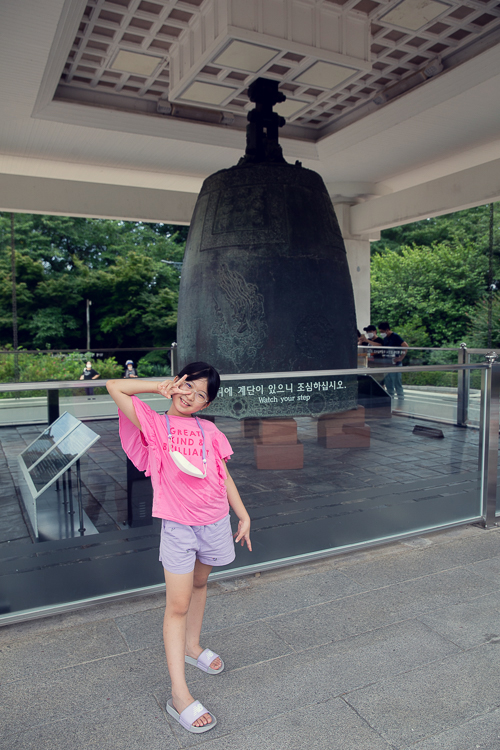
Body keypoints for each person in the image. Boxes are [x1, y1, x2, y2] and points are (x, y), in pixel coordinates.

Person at [106, 362, 251, 735]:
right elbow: (114, 386)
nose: (190, 397)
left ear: (206, 405)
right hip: (178, 526)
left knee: (201, 584)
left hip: (215, 521)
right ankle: (180, 695)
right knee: (177, 605)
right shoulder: (154, 424)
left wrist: (243, 514)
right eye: (188, 386)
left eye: (200, 395)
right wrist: (159, 387)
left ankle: (192, 646)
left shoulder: (210, 430)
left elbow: (223, 475)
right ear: (177, 383)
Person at [378, 322, 408, 399]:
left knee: (397, 384)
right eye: (380, 332)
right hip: (387, 364)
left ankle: (400, 400)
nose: (381, 333)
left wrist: (401, 357)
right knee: (389, 385)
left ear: (387, 330)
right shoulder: (385, 338)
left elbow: (405, 346)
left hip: (395, 364)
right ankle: (391, 400)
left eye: (382, 332)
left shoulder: (395, 336)